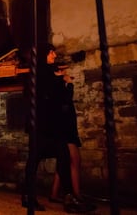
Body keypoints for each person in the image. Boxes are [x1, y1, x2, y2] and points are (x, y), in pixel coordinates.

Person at [22, 43, 96, 213]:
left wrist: (66, 84)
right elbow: (46, 98)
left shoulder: (50, 73)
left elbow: (62, 101)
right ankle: (28, 196)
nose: (54, 55)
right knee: (34, 161)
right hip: (40, 127)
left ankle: (69, 197)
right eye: (51, 52)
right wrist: (61, 81)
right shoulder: (38, 74)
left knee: (63, 157)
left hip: (51, 127)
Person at [49, 63, 83, 203]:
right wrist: (69, 84)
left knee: (64, 162)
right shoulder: (56, 86)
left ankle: (55, 194)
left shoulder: (59, 85)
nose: (65, 72)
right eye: (62, 70)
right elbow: (65, 102)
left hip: (67, 127)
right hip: (65, 129)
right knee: (74, 160)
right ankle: (76, 194)